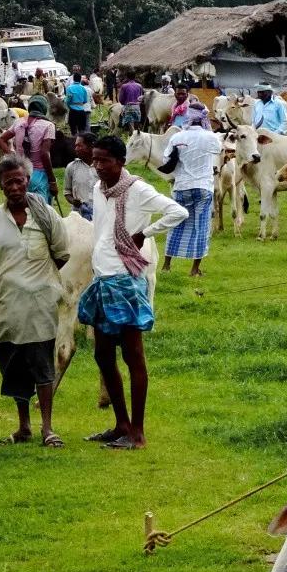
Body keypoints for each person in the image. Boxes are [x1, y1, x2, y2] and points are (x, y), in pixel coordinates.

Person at [79, 135, 187, 450]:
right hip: (103, 278)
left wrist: (145, 233)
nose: (98, 166)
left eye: (105, 161)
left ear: (121, 162)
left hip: (125, 280)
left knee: (133, 356)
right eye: (95, 160)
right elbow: (100, 229)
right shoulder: (100, 190)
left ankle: (137, 433)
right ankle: (120, 423)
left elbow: (177, 212)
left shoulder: (137, 190)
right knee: (102, 354)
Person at [0, 155, 71, 448]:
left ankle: (48, 429)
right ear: (0, 185)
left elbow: (62, 253)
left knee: (42, 366)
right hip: (8, 306)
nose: (14, 186)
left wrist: (40, 282)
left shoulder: (45, 214)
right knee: (14, 367)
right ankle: (24, 427)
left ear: (27, 180)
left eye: (19, 180)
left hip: (40, 305)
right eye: (8, 182)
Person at [160, 109, 222, 277]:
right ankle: (194, 269)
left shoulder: (177, 137)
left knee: (176, 223)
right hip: (203, 186)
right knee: (201, 227)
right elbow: (218, 150)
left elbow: (166, 160)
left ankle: (166, 265)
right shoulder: (211, 137)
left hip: (181, 186)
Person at [0, 95, 58, 203]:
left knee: (22, 207)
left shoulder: (19, 122)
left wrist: (12, 156)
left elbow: (0, 140)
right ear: (44, 109)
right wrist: (52, 181)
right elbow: (44, 154)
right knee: (41, 210)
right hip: (40, 175)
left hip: (21, 173)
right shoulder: (48, 126)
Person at [64, 132, 98, 220]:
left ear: (91, 146)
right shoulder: (71, 167)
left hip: (100, 215)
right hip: (79, 216)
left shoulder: (102, 167)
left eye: (79, 146)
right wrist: (74, 202)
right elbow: (67, 193)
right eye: (75, 146)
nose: (76, 149)